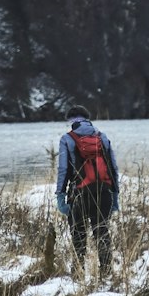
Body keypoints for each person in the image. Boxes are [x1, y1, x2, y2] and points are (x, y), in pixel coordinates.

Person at [55, 104, 119, 278]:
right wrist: (115, 196)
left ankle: (78, 272)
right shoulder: (102, 137)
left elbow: (63, 170)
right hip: (104, 191)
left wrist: (60, 196)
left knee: (78, 233)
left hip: (80, 193)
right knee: (102, 232)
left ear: (70, 120)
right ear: (88, 118)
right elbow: (113, 168)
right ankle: (106, 274)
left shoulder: (67, 139)